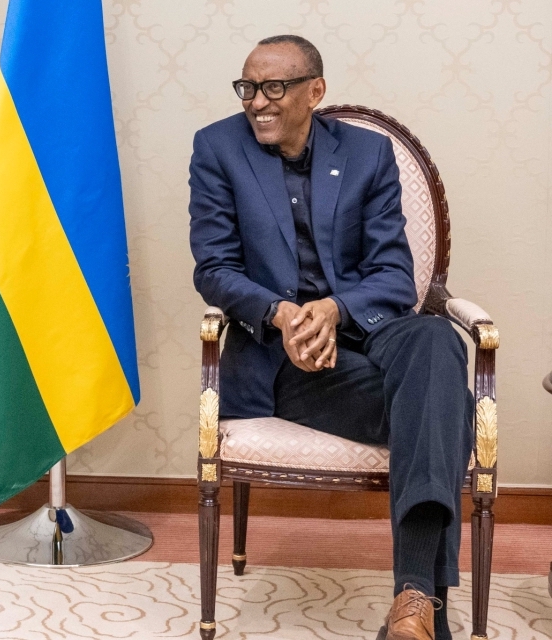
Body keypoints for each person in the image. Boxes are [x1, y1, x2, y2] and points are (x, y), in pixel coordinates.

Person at [188, 35, 473, 640]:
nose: (257, 103)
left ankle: (414, 597)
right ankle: (425, 607)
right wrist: (284, 315)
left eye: (274, 88)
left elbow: (395, 276)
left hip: (367, 331)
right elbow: (213, 268)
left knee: (439, 344)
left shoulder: (368, 154)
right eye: (248, 88)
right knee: (444, 407)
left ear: (315, 91)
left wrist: (333, 309)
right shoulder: (217, 148)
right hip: (283, 359)